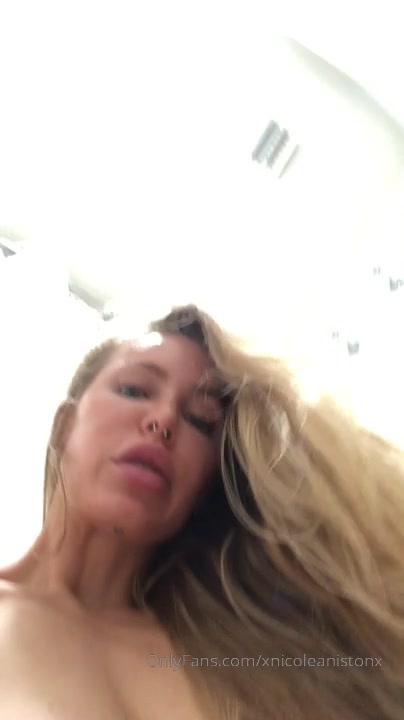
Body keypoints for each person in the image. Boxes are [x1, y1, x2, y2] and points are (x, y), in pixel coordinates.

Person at [0, 304, 403, 720]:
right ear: (65, 425)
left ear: (205, 487)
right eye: (135, 390)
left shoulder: (237, 658)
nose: (163, 420)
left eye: (199, 421)